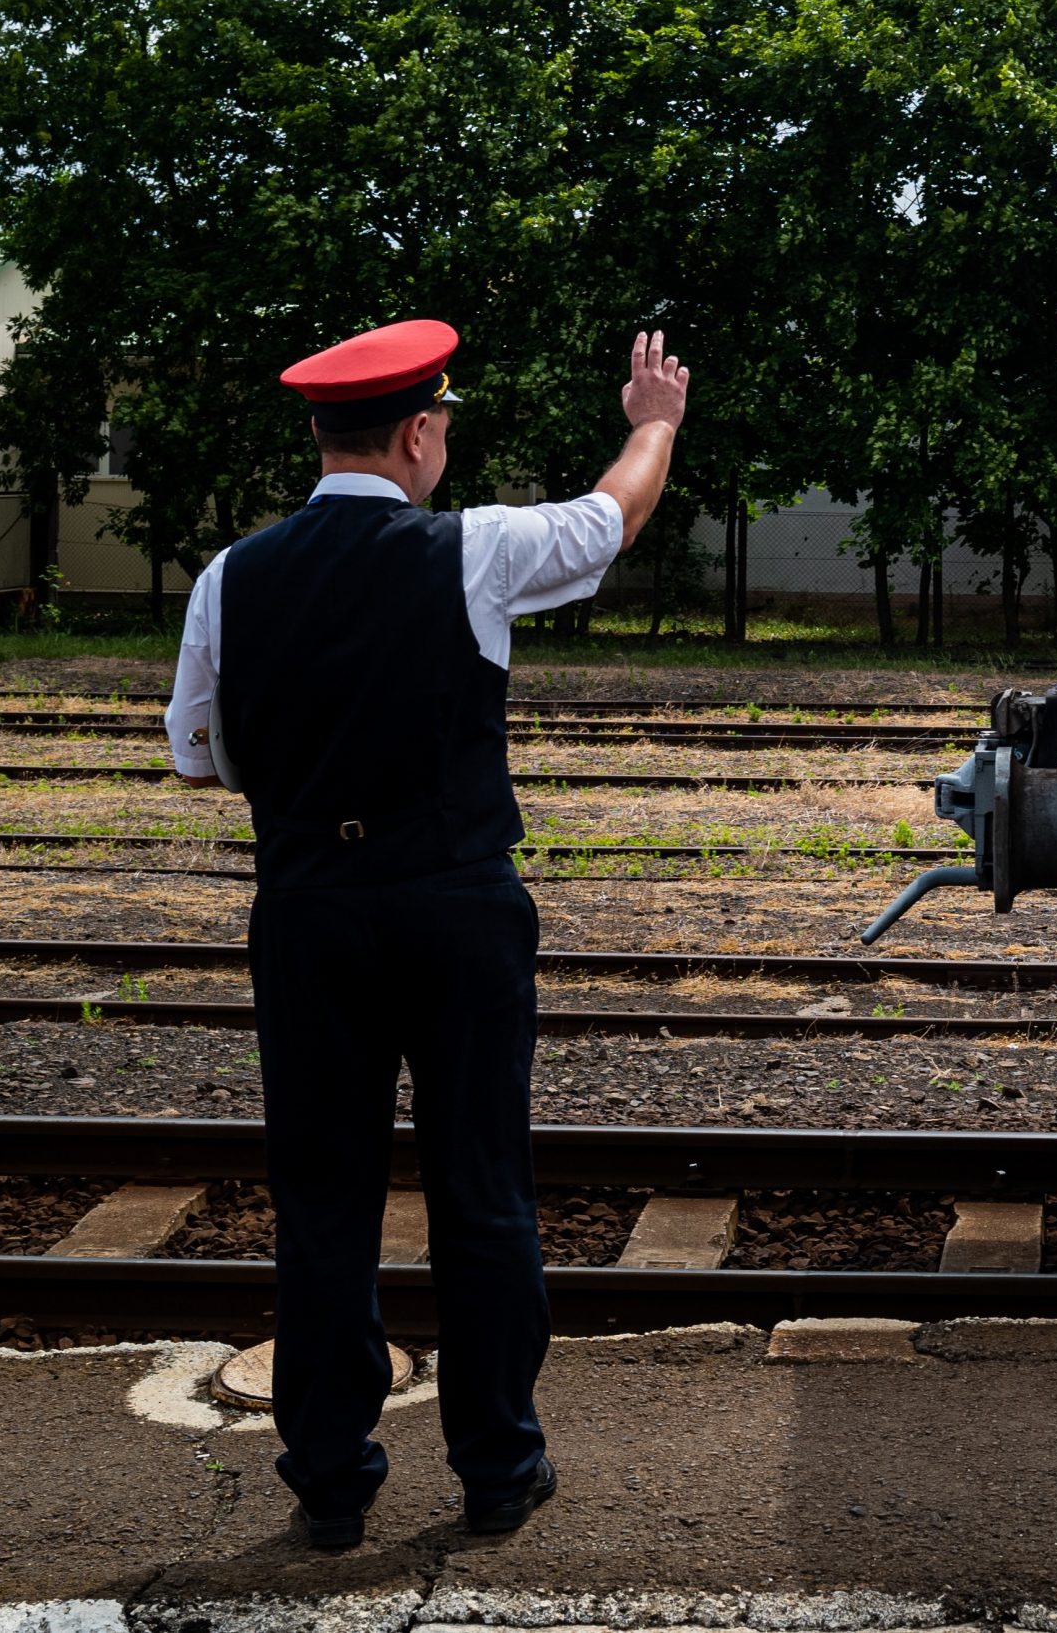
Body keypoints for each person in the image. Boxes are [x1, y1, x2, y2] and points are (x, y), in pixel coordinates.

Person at [162, 318, 690, 1550]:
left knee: (324, 1198)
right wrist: (652, 420)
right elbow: (612, 515)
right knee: (482, 1188)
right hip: (455, 903)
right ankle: (499, 1467)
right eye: (441, 424)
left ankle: (333, 1483)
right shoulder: (481, 549)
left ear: (322, 437)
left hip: (309, 914)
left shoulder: (230, 575)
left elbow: (196, 755)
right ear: (416, 432)